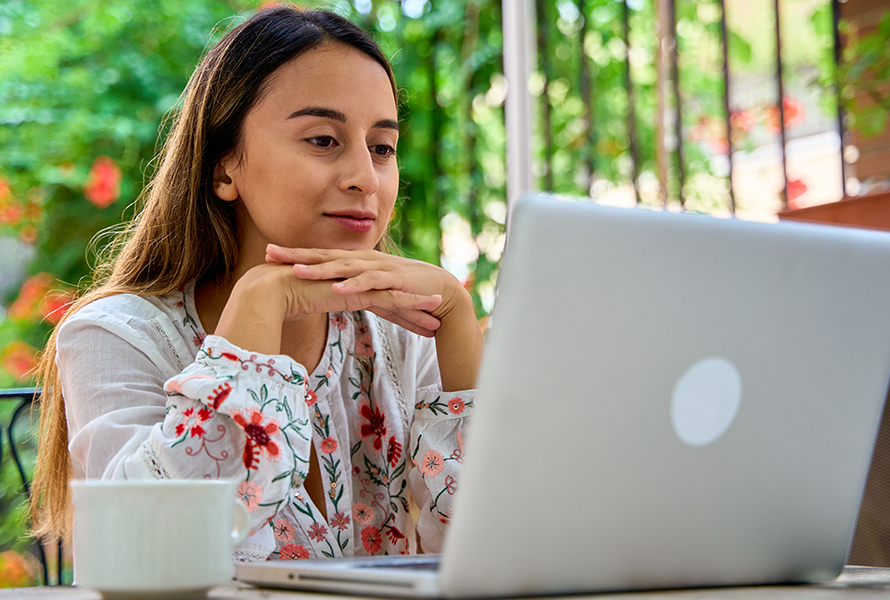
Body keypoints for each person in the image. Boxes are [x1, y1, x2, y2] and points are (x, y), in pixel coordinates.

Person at [30, 5, 483, 561]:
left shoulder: (402, 337)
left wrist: (457, 317)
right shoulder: (114, 336)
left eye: (382, 147)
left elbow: (496, 553)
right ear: (225, 169)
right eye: (322, 139)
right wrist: (260, 301)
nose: (365, 178)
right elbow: (152, 555)